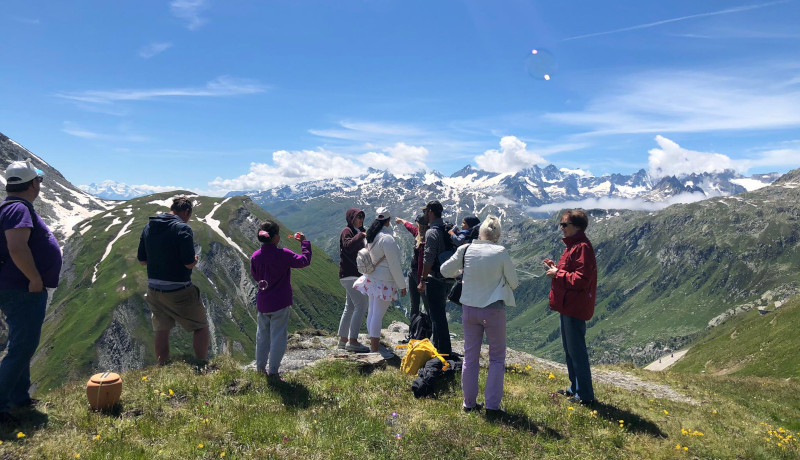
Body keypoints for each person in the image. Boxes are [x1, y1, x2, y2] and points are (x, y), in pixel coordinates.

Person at [0, 159, 62, 425]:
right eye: (39, 181)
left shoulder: (11, 207)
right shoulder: (19, 209)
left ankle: (19, 398)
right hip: (22, 288)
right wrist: (34, 278)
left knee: (22, 345)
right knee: (22, 347)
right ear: (33, 184)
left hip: (16, 287)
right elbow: (16, 247)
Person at [442, 216, 518, 414]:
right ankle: (492, 406)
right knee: (497, 358)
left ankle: (469, 403)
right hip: (493, 310)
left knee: (470, 357)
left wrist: (461, 274)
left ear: (480, 232)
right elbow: (514, 282)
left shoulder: (466, 249)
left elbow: (444, 270)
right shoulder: (500, 252)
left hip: (469, 309)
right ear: (497, 236)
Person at [137, 196, 209, 366]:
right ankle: (201, 364)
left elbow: (142, 260)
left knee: (162, 329)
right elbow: (188, 263)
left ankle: (162, 366)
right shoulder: (182, 228)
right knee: (200, 326)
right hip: (179, 290)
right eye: (189, 216)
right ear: (186, 212)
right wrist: (195, 259)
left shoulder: (149, 226)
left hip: (154, 290)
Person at [544, 209, 598, 406]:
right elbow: (571, 272)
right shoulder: (573, 246)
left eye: (564, 224)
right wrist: (556, 268)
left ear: (576, 227)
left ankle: (585, 395)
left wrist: (557, 274)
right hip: (568, 305)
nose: (561, 228)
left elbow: (581, 279)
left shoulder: (582, 247)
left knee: (577, 351)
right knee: (569, 350)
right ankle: (575, 388)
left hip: (574, 306)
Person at [250, 220, 311, 377]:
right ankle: (273, 372)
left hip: (263, 303)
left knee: (262, 337)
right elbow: (304, 261)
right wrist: (304, 243)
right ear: (276, 237)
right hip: (280, 302)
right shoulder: (283, 254)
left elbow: (255, 276)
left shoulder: (255, 256)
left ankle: (260, 370)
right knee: (278, 337)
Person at [353, 207, 406, 358]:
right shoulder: (387, 239)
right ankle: (375, 350)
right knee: (377, 315)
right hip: (385, 281)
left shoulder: (371, 236)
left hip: (372, 278)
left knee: (372, 313)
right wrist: (402, 285)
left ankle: (374, 347)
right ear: (388, 221)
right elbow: (394, 265)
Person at [417, 200, 454, 356]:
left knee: (437, 316)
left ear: (430, 212)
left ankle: (444, 351)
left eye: (425, 212)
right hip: (449, 278)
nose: (424, 214)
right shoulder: (447, 229)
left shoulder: (432, 232)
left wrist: (423, 280)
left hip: (435, 279)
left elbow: (428, 259)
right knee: (439, 313)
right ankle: (438, 348)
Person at [337, 208, 370, 353]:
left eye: (362, 217)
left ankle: (343, 341)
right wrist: (361, 236)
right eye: (358, 217)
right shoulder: (347, 231)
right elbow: (348, 246)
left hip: (351, 275)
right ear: (351, 218)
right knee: (361, 305)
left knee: (349, 307)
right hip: (351, 275)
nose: (361, 219)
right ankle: (353, 341)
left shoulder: (359, 231)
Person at [395, 213, 429, 336]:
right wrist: (402, 220)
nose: (416, 226)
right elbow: (410, 227)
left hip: (421, 277)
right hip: (414, 274)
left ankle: (420, 333)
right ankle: (414, 331)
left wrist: (422, 280)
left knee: (422, 304)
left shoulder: (426, 239)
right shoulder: (418, 234)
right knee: (417, 304)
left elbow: (424, 262)